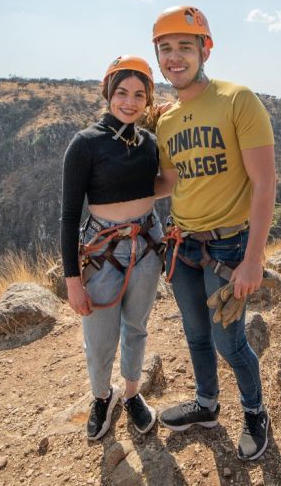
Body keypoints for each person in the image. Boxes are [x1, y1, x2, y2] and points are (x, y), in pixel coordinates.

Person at [151, 5, 277, 461]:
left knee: (230, 341)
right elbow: (169, 182)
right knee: (195, 332)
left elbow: (265, 183)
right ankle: (206, 405)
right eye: (166, 49)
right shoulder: (165, 120)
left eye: (185, 46)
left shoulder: (237, 100)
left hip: (230, 245)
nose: (175, 57)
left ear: (206, 49)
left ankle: (255, 412)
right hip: (184, 245)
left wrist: (253, 259)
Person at [60, 56, 165, 441]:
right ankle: (102, 397)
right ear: (108, 93)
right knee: (100, 335)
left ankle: (133, 393)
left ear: (148, 100)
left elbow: (151, 187)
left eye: (140, 94)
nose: (130, 101)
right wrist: (73, 281)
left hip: (147, 246)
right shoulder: (86, 144)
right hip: (103, 251)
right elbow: (69, 215)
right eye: (122, 92)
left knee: (136, 327)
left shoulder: (149, 142)